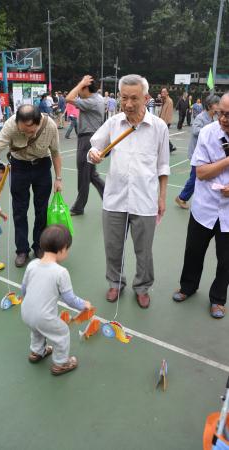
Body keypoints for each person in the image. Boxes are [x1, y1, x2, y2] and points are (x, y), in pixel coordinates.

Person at [88, 74, 170, 308]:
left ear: (146, 98)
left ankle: (142, 286)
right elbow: (94, 149)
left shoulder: (159, 127)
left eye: (134, 98)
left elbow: (163, 166)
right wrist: (93, 155)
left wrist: (162, 198)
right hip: (114, 199)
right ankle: (115, 282)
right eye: (124, 98)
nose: (129, 104)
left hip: (145, 200)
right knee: (113, 247)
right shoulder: (113, 123)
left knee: (144, 250)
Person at [172, 93, 229, 319]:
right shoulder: (208, 133)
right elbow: (202, 173)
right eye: (221, 113)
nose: (223, 118)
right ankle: (188, 287)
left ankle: (218, 299)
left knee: (226, 260)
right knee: (194, 251)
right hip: (205, 206)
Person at [0, 104, 62, 268]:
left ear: (38, 121)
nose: (27, 134)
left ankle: (39, 245)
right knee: (19, 211)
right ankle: (22, 250)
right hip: (19, 167)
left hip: (42, 166)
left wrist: (59, 178)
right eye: (23, 131)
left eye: (30, 131)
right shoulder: (11, 125)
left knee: (41, 210)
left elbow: (55, 152)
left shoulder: (50, 126)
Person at [21, 224, 92, 376]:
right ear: (62, 249)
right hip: (43, 317)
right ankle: (61, 363)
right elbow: (69, 299)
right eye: (68, 249)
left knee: (37, 329)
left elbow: (24, 288)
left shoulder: (32, 265)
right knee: (62, 332)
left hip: (26, 312)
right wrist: (83, 305)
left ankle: (36, 352)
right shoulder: (61, 272)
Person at [66, 75, 105, 216]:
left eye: (81, 87)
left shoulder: (91, 101)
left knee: (83, 173)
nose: (79, 90)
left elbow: (69, 98)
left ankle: (78, 207)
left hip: (87, 139)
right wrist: (81, 84)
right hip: (92, 138)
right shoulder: (98, 99)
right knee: (92, 174)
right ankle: (110, 198)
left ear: (86, 88)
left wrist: (81, 83)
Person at [175, 94, 220, 209]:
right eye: (217, 104)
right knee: (195, 177)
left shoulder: (214, 117)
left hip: (208, 154)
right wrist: (210, 131)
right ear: (210, 106)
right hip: (197, 154)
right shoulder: (201, 117)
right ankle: (182, 198)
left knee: (202, 177)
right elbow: (195, 131)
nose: (219, 106)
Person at [159, 87, 176, 153]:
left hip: (165, 122)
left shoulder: (169, 101)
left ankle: (170, 147)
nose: (162, 93)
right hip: (161, 121)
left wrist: (165, 123)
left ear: (167, 93)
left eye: (163, 92)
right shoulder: (164, 100)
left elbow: (168, 113)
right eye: (161, 92)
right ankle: (170, 147)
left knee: (162, 135)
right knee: (163, 135)